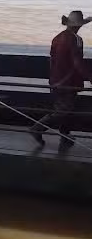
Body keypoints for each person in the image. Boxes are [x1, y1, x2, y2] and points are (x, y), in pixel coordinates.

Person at [31, 11, 92, 149]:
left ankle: (65, 135)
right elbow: (78, 63)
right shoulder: (76, 39)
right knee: (63, 109)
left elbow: (52, 59)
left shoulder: (57, 38)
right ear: (79, 25)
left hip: (55, 79)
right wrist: (90, 77)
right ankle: (37, 128)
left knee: (66, 108)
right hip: (68, 81)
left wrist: (52, 79)